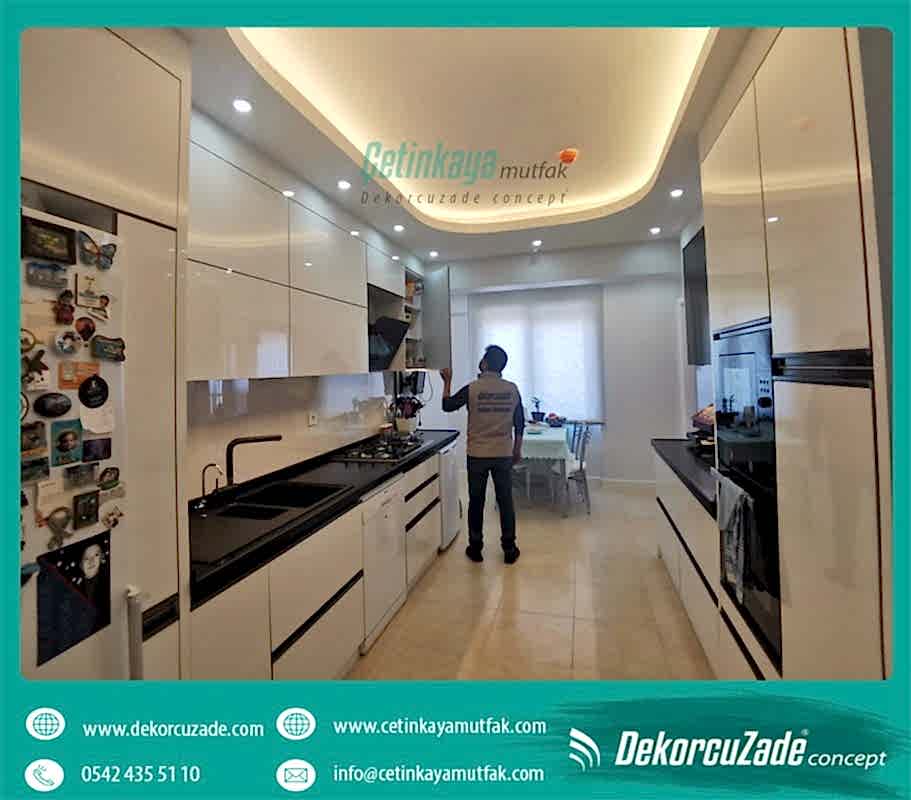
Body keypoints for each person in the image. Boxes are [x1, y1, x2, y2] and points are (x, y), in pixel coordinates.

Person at [440, 345, 524, 564]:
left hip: (477, 454)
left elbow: (447, 405)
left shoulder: (472, 389)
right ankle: (509, 548)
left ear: (484, 363)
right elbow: (519, 422)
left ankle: (475, 548)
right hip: (503, 453)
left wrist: (447, 381)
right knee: (505, 501)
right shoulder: (512, 389)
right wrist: (517, 449)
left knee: (476, 501)